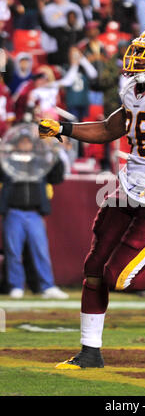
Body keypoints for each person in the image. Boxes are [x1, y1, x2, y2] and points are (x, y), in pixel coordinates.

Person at [38, 26, 145, 369]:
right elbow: (111, 128)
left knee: (120, 276)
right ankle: (90, 352)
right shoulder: (134, 88)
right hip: (128, 187)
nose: (136, 58)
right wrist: (65, 128)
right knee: (94, 267)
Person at [0, 126, 69, 299]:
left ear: (32, 145)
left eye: (27, 142)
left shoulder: (39, 164)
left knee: (41, 251)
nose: (25, 145)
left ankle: (47, 286)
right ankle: (16, 286)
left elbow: (57, 176)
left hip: (34, 213)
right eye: (21, 142)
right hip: (13, 212)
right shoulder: (7, 162)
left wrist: (56, 155)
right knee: (13, 252)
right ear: (16, 145)